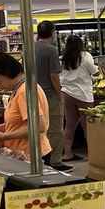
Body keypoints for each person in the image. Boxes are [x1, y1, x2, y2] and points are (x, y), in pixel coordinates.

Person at [0, 52, 51, 159]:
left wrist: (5, 136)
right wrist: (0, 127)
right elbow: (21, 122)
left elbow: (38, 126)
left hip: (30, 155)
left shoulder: (24, 92)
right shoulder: (21, 88)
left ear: (6, 71)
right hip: (23, 152)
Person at [34, 21, 69, 170]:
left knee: (38, 128)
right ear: (52, 33)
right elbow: (54, 76)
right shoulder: (51, 50)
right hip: (49, 95)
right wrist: (60, 95)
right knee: (55, 129)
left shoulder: (28, 49)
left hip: (33, 95)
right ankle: (54, 161)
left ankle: (40, 159)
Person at [60, 34, 99, 162]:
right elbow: (96, 73)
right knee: (87, 126)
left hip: (67, 94)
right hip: (83, 95)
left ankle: (67, 154)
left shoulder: (63, 59)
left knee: (69, 125)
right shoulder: (85, 56)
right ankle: (93, 155)